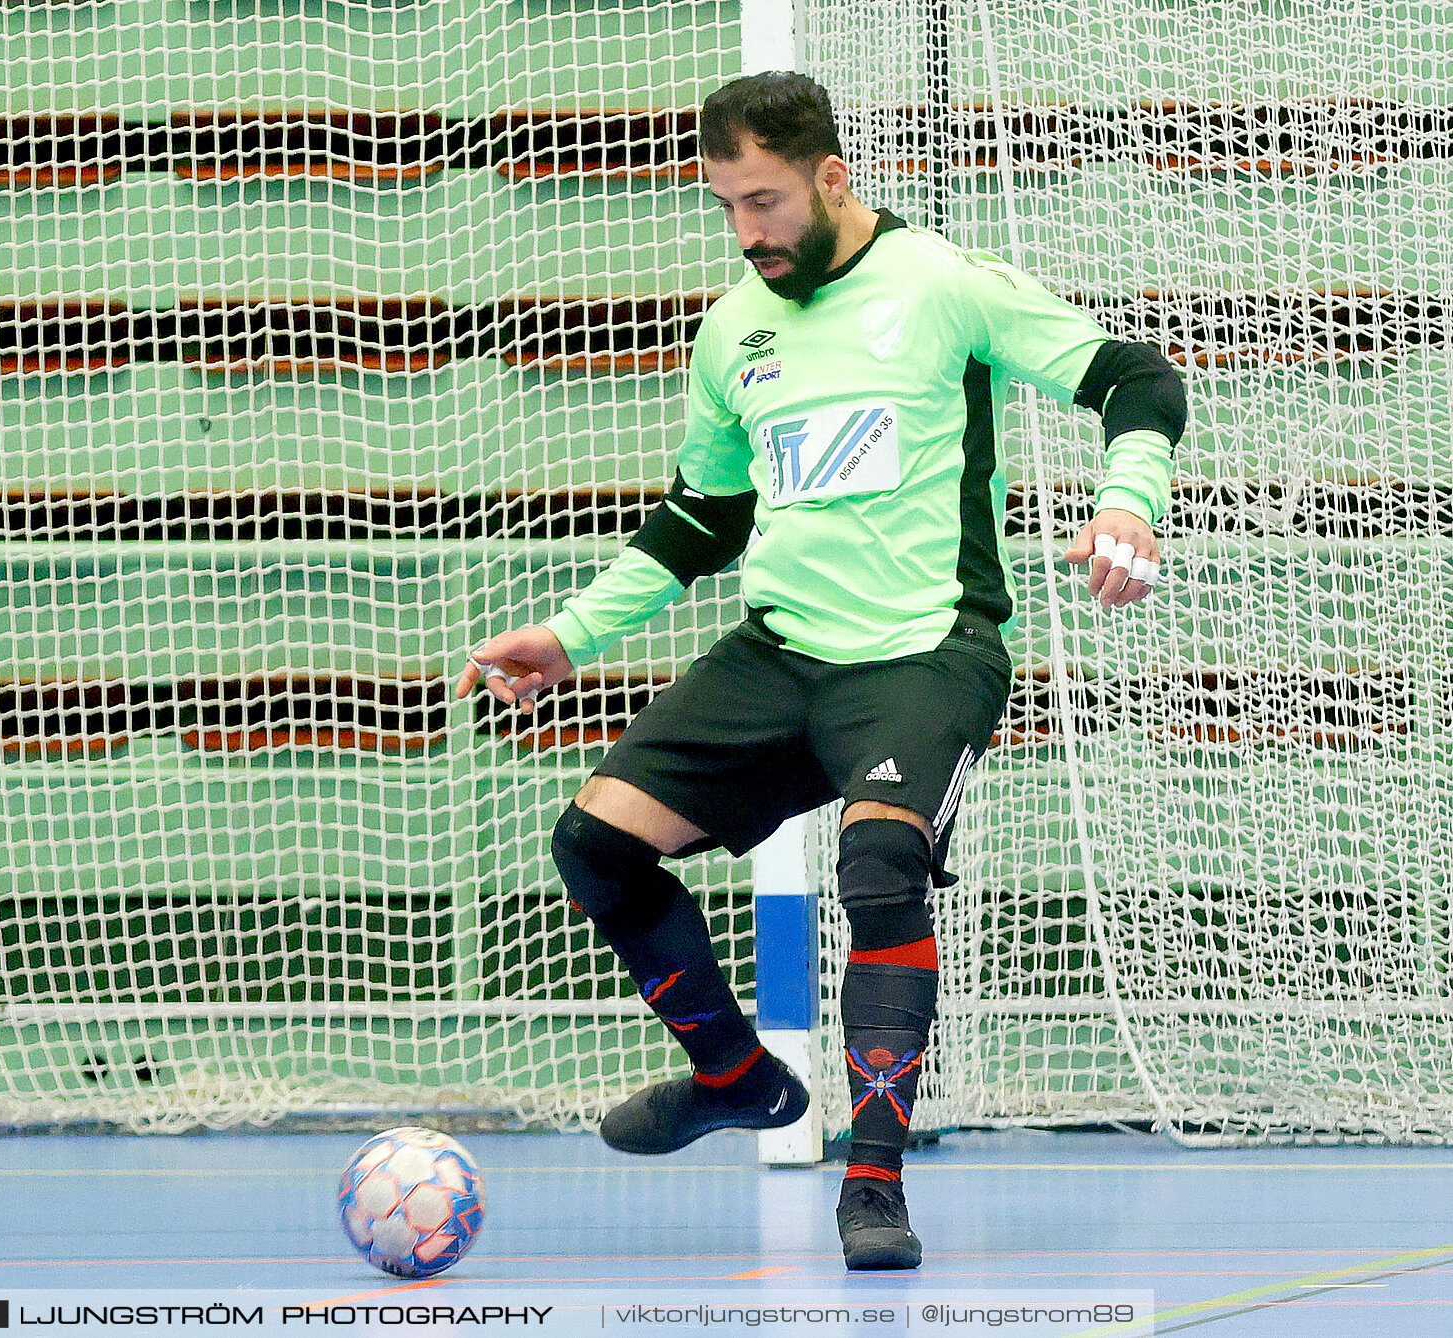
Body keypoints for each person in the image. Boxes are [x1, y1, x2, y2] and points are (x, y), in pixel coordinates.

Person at [454, 71, 1185, 1270]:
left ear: (830, 178)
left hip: (922, 654)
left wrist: (1128, 503)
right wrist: (572, 635)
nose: (747, 233)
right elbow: (705, 517)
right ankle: (735, 1077)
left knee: (881, 864)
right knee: (595, 843)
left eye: (765, 201)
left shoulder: (940, 285)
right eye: (724, 206)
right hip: (782, 654)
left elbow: (1135, 381)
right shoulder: (731, 330)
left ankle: (873, 1182)